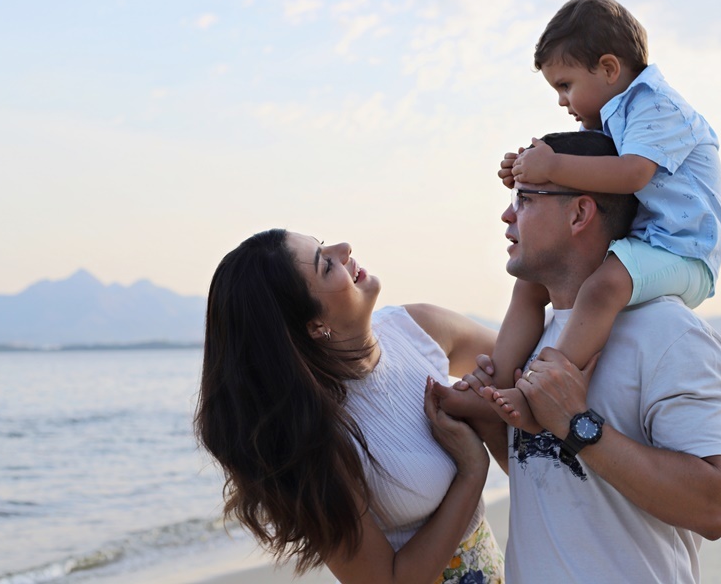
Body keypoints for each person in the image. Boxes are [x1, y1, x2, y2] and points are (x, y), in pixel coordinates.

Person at [453, 131, 721, 582]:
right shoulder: (534, 338)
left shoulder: (670, 334)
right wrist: (490, 423)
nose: (507, 214)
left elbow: (717, 505)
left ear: (580, 213)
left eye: (526, 199)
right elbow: (550, 478)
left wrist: (577, 424)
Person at [194, 229, 505, 584]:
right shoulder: (312, 435)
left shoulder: (417, 329)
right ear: (315, 326)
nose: (344, 249)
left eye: (323, 243)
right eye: (325, 265)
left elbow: (522, 364)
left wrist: (486, 408)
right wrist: (471, 470)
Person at [489, 0, 721, 430]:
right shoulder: (607, 117)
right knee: (530, 283)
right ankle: (495, 384)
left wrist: (554, 165)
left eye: (566, 85)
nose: (562, 100)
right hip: (643, 245)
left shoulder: (655, 104)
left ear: (609, 69)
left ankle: (546, 388)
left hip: (685, 252)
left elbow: (632, 173)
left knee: (602, 288)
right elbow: (581, 167)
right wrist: (528, 170)